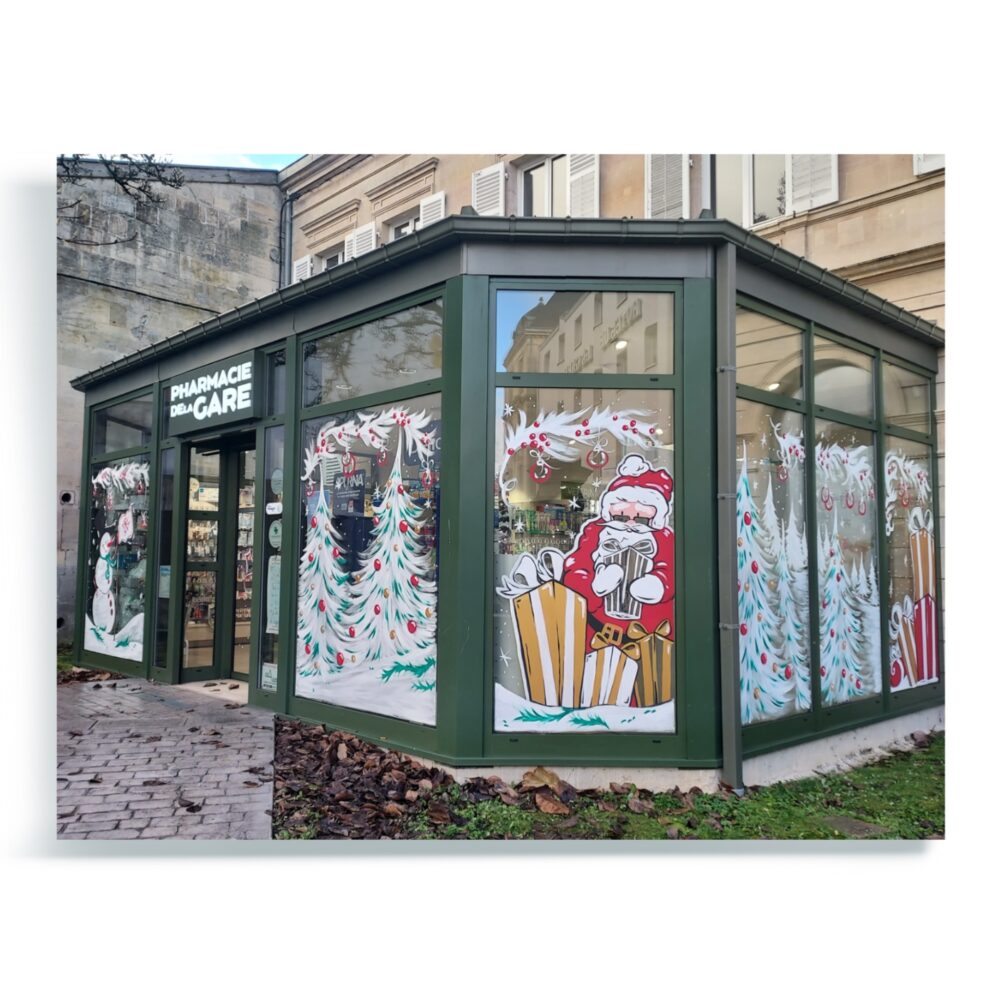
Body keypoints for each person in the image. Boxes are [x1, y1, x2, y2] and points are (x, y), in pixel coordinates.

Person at [562, 454, 675, 650]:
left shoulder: (663, 538)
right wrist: (593, 586)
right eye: (621, 518)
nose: (630, 525)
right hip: (597, 631)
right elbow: (575, 568)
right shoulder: (596, 532)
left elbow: (672, 571)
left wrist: (657, 585)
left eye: (640, 519)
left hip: (649, 636)